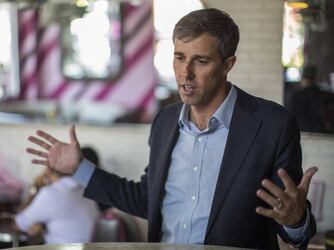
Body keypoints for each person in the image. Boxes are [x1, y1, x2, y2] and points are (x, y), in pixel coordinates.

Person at [26, 8, 317, 249]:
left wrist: (296, 220)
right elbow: (146, 200)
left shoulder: (273, 125)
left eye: (200, 61)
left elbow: (289, 219)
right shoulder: (164, 122)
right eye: (179, 57)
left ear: (228, 64)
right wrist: (80, 167)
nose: (185, 73)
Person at [14, 165, 99, 244]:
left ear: (48, 170)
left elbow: (19, 225)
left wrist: (35, 185)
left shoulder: (50, 193)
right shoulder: (84, 186)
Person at [287, 65, 334, 133]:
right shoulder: (325, 96)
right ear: (315, 79)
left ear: (303, 79)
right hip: (320, 133)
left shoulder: (295, 97)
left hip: (299, 132)